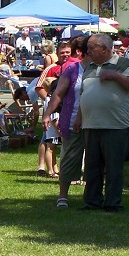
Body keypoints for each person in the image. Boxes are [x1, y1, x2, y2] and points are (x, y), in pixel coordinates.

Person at [78, 33, 129, 211]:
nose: (88, 51)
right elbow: (84, 94)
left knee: (114, 167)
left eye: (92, 48)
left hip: (115, 126)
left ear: (105, 49)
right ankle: (92, 201)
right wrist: (79, 119)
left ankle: (112, 203)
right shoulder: (89, 66)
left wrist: (116, 76)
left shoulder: (123, 64)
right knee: (92, 167)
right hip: (91, 125)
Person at [42, 36, 89, 209]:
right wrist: (48, 114)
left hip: (96, 122)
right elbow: (58, 93)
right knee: (69, 158)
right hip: (71, 121)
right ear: (84, 52)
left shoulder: (101, 70)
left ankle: (91, 195)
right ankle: (63, 196)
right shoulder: (72, 70)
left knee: (94, 160)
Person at [34, 40, 73, 175]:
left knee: (59, 141)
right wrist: (51, 103)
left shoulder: (74, 66)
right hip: (53, 109)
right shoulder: (51, 69)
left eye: (68, 52)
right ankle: (41, 166)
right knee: (47, 139)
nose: (65, 55)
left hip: (68, 109)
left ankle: (56, 168)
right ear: (57, 54)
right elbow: (39, 87)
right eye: (62, 53)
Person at [40, 77, 60, 178]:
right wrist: (58, 129)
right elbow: (54, 117)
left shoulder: (47, 98)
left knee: (53, 149)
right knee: (50, 149)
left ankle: (55, 168)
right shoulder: (51, 100)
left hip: (50, 128)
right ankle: (50, 170)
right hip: (52, 129)